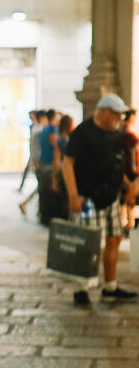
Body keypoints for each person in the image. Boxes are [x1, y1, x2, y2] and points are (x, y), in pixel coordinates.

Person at [62, 94, 139, 305]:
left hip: (111, 197)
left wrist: (130, 186)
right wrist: (73, 195)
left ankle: (110, 286)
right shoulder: (83, 133)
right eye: (116, 114)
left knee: (114, 239)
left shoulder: (118, 134)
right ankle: (82, 288)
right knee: (88, 242)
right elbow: (67, 165)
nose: (119, 118)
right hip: (87, 199)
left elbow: (117, 165)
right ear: (103, 112)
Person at [37, 109, 63, 225]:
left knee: (43, 191)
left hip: (42, 162)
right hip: (50, 163)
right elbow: (55, 144)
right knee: (51, 190)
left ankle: (42, 214)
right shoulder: (53, 129)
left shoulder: (43, 129)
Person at [20, 110, 48, 215]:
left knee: (41, 186)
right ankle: (27, 204)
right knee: (41, 185)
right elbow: (36, 149)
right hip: (37, 161)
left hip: (36, 160)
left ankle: (31, 205)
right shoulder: (39, 130)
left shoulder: (36, 128)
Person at [19, 110, 39, 191]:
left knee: (36, 171)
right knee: (28, 170)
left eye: (31, 115)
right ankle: (21, 186)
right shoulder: (32, 126)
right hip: (33, 152)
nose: (30, 117)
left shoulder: (37, 126)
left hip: (36, 153)